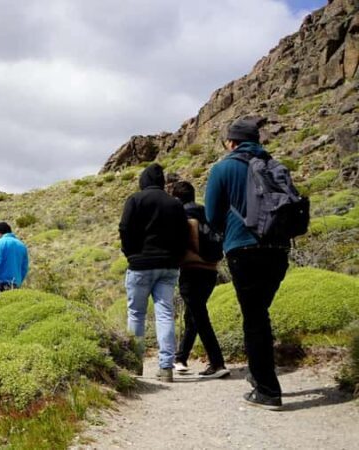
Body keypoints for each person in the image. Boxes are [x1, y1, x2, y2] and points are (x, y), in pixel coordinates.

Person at [205, 118, 290, 410]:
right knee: (260, 314)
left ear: (231, 142)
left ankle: (267, 390)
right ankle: (258, 375)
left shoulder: (223, 168)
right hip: (279, 249)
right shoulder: (275, 166)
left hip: (244, 249)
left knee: (254, 318)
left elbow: (213, 216)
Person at [118, 163, 188, 382]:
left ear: (143, 181)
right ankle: (166, 367)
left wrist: (131, 254)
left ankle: (135, 365)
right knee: (165, 313)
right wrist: (175, 257)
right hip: (168, 266)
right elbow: (183, 234)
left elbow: (124, 228)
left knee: (136, 314)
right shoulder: (175, 204)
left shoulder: (135, 200)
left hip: (140, 264)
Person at [170, 181, 229, 379]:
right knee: (193, 315)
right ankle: (181, 358)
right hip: (211, 271)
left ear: (176, 197)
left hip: (192, 270)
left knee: (200, 317)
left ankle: (218, 363)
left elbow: (189, 238)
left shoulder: (185, 215)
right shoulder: (206, 213)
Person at [0, 222, 29, 296]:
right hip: (15, 285)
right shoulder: (22, 245)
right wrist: (18, 282)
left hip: (0, 284)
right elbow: (24, 268)